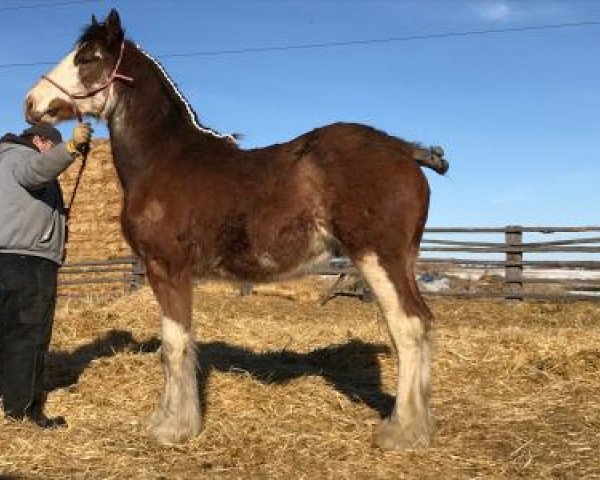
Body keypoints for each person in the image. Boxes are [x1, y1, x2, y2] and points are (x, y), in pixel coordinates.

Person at [0, 121, 92, 428]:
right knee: (28, 336)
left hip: (6, 257)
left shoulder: (2, 158)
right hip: (28, 264)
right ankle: (23, 411)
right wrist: (69, 149)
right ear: (40, 141)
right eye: (51, 146)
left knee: (5, 333)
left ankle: (8, 394)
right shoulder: (22, 158)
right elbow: (35, 171)